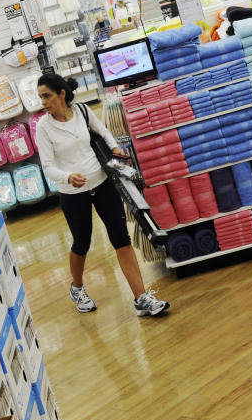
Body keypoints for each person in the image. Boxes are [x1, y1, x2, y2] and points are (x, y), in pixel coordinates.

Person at [34, 73, 169, 317]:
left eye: (47, 96)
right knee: (81, 243)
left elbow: (103, 133)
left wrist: (115, 148)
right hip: (73, 193)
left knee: (121, 238)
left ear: (61, 94)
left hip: (103, 182)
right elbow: (47, 166)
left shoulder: (83, 111)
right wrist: (67, 177)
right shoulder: (43, 127)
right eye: (41, 97)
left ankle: (141, 298)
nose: (43, 102)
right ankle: (77, 288)